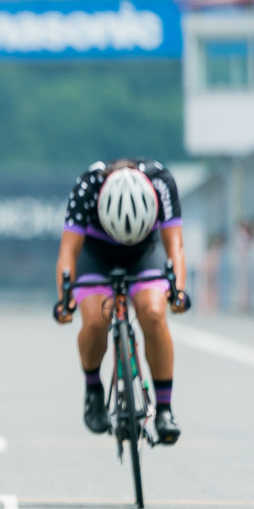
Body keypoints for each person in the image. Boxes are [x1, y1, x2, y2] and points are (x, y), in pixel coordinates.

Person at [53, 158, 191, 444]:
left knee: (153, 312)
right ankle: (93, 389)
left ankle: (164, 408)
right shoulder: (87, 188)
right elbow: (68, 252)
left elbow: (174, 246)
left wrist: (177, 291)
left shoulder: (161, 182)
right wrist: (64, 300)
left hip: (145, 251)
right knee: (95, 319)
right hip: (96, 255)